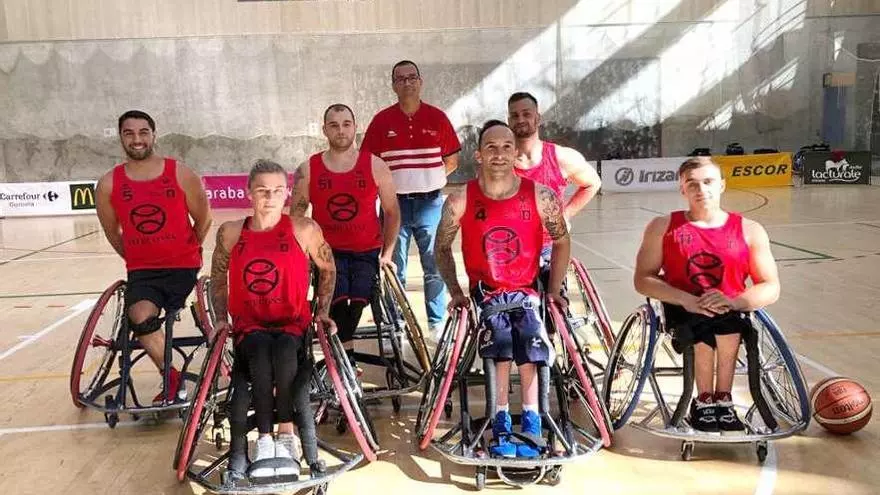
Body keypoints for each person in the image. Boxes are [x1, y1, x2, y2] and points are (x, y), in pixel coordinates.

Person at [435, 120, 570, 458]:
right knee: (500, 340)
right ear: (479, 155)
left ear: (516, 154)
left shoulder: (540, 195)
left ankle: (532, 418)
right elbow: (441, 247)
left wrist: (554, 289)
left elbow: (562, 240)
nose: (499, 154)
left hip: (527, 291)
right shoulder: (460, 199)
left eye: (506, 147)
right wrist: (456, 291)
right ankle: (500, 419)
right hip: (487, 292)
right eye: (491, 147)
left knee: (531, 337)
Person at [632, 157, 781, 433]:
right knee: (701, 329)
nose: (701, 189)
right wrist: (687, 300)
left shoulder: (750, 230)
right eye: (692, 184)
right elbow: (643, 279)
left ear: (722, 185)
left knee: (729, 325)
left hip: (730, 304)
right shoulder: (662, 227)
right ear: (682, 189)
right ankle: (703, 400)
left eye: (708, 182)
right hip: (682, 304)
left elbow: (770, 286)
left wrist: (735, 301)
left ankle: (723, 399)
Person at [210, 160, 337, 479]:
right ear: (248, 192)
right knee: (259, 352)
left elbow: (328, 268)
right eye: (262, 190)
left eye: (278, 190)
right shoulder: (231, 232)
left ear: (287, 193)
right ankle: (265, 440)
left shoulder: (304, 229)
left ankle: (286, 435)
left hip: (291, 323)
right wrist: (221, 319)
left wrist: (322, 311)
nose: (270, 197)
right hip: (250, 325)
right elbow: (218, 277)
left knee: (282, 352)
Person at [95, 110, 212, 405]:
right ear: (121, 137)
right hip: (143, 272)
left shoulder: (180, 173)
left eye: (143, 132)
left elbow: (204, 219)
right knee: (140, 316)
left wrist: (188, 249)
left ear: (154, 135)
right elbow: (112, 231)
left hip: (182, 267)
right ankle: (171, 377)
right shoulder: (108, 184)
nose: (137, 139)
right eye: (129, 133)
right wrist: (136, 257)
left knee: (159, 315)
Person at [290, 103, 401, 369]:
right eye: (334, 125)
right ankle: (346, 362)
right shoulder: (308, 169)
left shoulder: (375, 166)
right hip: (328, 253)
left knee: (359, 298)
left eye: (346, 124)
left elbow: (392, 212)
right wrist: (301, 256)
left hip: (366, 251)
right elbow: (296, 218)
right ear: (324, 130)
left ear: (355, 127)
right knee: (338, 299)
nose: (341, 130)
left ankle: (343, 359)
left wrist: (387, 254)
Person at [362, 60, 461, 336]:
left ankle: (436, 323)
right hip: (395, 207)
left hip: (431, 204)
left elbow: (452, 160)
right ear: (393, 85)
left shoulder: (437, 118)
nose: (407, 82)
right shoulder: (381, 121)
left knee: (435, 265)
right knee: (394, 268)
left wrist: (428, 178)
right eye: (400, 78)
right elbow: (369, 163)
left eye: (412, 77)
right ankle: (397, 325)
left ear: (420, 81)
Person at [507, 92, 601, 284]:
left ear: (538, 118)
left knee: (553, 299)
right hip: (511, 249)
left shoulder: (561, 157)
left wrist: (566, 214)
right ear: (509, 121)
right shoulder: (499, 162)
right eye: (515, 115)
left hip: (549, 247)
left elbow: (593, 183)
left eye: (526, 114)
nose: (521, 119)